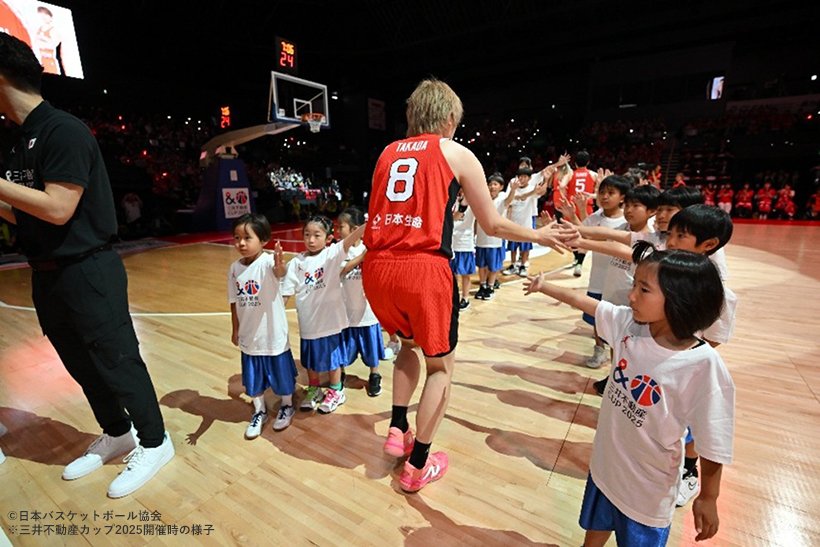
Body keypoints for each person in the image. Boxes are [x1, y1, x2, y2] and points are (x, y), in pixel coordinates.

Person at [363, 78, 567, 493]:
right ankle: (417, 466)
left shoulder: (386, 153)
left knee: (407, 347)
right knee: (441, 368)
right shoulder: (456, 152)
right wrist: (539, 235)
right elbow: (492, 223)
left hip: (378, 268)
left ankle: (398, 427)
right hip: (422, 269)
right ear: (449, 119)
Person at [0, 33, 173, 498]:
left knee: (118, 362)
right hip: (47, 275)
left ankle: (155, 441)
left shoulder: (63, 130)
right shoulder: (16, 143)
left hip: (88, 271)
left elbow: (58, 208)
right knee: (82, 366)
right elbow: (24, 212)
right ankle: (117, 433)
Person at [524, 243, 734, 547]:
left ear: (680, 300)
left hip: (647, 491)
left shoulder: (703, 366)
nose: (632, 295)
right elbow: (588, 304)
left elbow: (714, 441)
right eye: (634, 284)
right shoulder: (628, 325)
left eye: (644, 289)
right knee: (595, 531)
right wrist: (544, 286)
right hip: (606, 468)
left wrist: (709, 497)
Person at [281, 215, 364, 414]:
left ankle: (336, 390)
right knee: (310, 360)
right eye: (307, 235)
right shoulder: (296, 262)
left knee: (333, 359)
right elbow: (286, 292)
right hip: (308, 322)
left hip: (331, 321)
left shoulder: (332, 255)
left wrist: (371, 221)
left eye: (317, 235)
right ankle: (314, 389)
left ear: (328, 238)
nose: (311, 240)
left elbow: (352, 237)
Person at [229, 213, 297, 436]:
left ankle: (287, 405)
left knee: (281, 374)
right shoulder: (234, 269)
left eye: (247, 238)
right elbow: (233, 302)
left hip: (272, 333)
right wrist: (235, 329)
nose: (241, 243)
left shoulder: (268, 262)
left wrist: (280, 265)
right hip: (249, 335)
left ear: (264, 240)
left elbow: (280, 272)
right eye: (237, 238)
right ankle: (260, 410)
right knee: (253, 377)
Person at [556, 175, 631, 369]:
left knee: (618, 320)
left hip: (620, 280)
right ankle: (599, 350)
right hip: (598, 278)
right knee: (598, 316)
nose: (604, 196)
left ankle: (620, 354)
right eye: (602, 192)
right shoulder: (596, 217)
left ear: (622, 197)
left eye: (611, 193)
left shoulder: (628, 220)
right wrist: (572, 215)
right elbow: (583, 233)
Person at [337, 207, 393, 397]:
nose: (338, 230)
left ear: (354, 229)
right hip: (346, 311)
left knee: (372, 349)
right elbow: (342, 269)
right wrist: (363, 257)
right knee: (344, 350)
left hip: (368, 311)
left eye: (341, 226)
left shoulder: (370, 248)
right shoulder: (340, 250)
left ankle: (374, 375)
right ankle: (340, 375)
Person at [474, 173, 510, 301]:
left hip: (494, 240)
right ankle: (482, 286)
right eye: (490, 184)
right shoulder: (482, 199)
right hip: (481, 239)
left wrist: (514, 189)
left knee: (493, 266)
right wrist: (474, 235)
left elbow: (509, 201)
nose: (492, 187)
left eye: (495, 184)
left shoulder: (501, 199)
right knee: (481, 266)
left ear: (501, 187)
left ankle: (490, 287)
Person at [450, 190, 476, 310]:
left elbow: (458, 217)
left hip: (465, 243)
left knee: (465, 274)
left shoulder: (473, 202)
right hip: (451, 243)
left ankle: (465, 298)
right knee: (453, 274)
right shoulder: (452, 201)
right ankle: (453, 297)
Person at [34, 6, 63, 76]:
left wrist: (43, 43)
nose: (43, 18)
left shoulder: (54, 31)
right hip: (42, 60)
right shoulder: (39, 29)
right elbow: (35, 42)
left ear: (50, 17)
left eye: (45, 16)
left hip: (51, 61)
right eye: (41, 16)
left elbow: (54, 46)